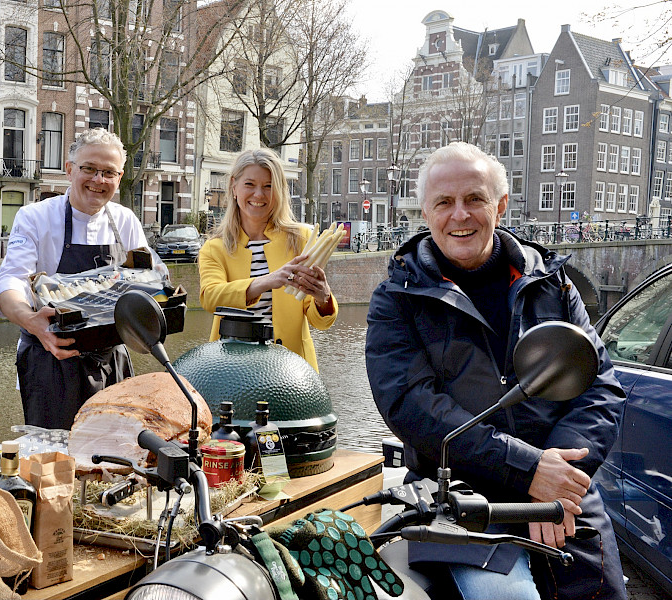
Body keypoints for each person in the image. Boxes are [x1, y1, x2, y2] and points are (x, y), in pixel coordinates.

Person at [365, 142, 626, 600]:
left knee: (599, 592)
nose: (459, 215)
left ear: (500, 205)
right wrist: (526, 469)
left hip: (562, 486)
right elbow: (410, 405)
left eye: (475, 199)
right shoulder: (397, 299)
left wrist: (554, 476)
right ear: (425, 213)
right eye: (444, 203)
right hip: (457, 494)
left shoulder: (552, 283)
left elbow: (600, 384)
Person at [0, 128, 151, 430]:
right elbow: (10, 281)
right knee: (55, 453)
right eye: (89, 169)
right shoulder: (35, 217)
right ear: (69, 170)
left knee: (114, 450)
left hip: (111, 359)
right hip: (50, 360)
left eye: (109, 172)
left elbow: (149, 279)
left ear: (119, 178)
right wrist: (31, 321)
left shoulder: (126, 221)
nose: (98, 180)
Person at [199, 148, 337, 370]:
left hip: (291, 371)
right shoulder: (215, 248)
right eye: (249, 184)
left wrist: (323, 298)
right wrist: (266, 281)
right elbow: (210, 297)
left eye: (268, 186)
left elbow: (320, 322)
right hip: (231, 369)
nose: (259, 195)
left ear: (279, 191)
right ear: (234, 186)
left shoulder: (301, 239)